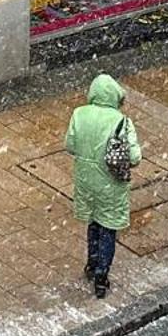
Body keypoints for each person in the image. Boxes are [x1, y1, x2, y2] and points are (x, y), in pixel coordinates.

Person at [63, 73, 141, 299]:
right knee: (108, 227)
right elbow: (135, 157)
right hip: (110, 184)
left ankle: (91, 262)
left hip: (86, 180)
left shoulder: (79, 114)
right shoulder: (122, 121)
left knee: (94, 222)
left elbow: (70, 145)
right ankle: (101, 275)